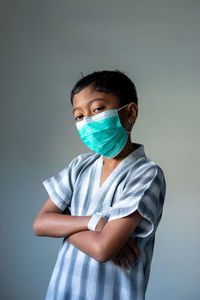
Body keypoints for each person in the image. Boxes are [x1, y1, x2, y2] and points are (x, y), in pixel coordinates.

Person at [33, 70, 166, 300]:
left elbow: (103, 249)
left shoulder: (146, 174)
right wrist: (93, 222)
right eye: (79, 116)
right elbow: (40, 224)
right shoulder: (80, 166)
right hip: (61, 291)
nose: (87, 121)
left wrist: (65, 222)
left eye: (97, 109)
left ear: (130, 112)